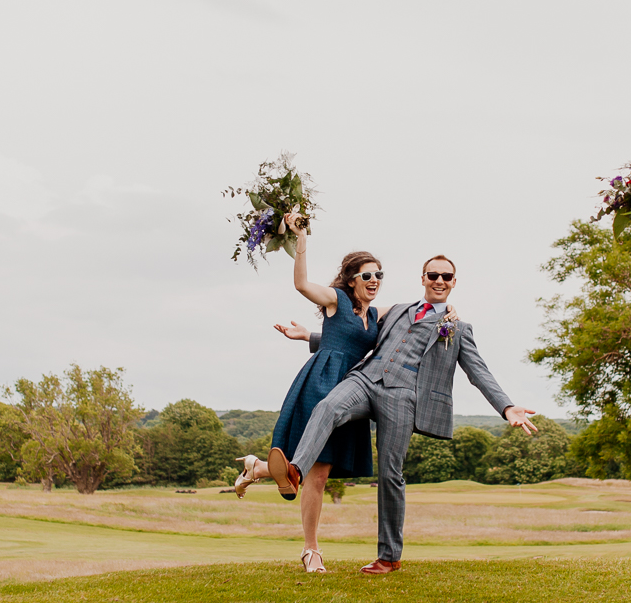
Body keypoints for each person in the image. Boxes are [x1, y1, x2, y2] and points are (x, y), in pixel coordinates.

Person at [277, 253, 536, 575]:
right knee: (327, 406)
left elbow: (478, 372)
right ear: (423, 278)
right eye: (433, 275)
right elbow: (354, 333)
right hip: (365, 377)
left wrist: (507, 406)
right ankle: (294, 471)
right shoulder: (398, 311)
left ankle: (388, 557)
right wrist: (311, 337)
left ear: (454, 283)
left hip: (403, 397)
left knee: (390, 472)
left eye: (446, 276)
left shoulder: (457, 327)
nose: (439, 281)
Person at [229, 213, 384, 573]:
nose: (374, 280)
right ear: (350, 278)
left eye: (379, 274)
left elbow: (411, 315)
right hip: (320, 384)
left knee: (320, 470)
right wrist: (300, 238)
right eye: (367, 275)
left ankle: (259, 468)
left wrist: (446, 309)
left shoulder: (377, 314)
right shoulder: (336, 299)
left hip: (352, 393)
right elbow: (301, 284)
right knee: (315, 473)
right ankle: (311, 551)